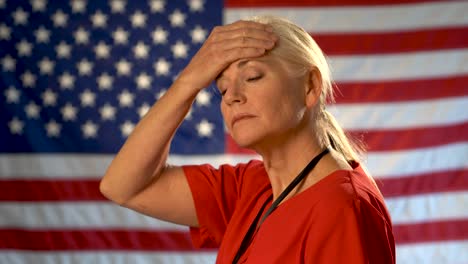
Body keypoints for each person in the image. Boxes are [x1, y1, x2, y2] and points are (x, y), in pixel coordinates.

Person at [100, 15, 396, 263]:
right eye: (221, 89)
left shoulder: (343, 207)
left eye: (253, 77)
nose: (233, 98)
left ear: (310, 86)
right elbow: (123, 186)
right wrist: (189, 80)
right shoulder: (251, 187)